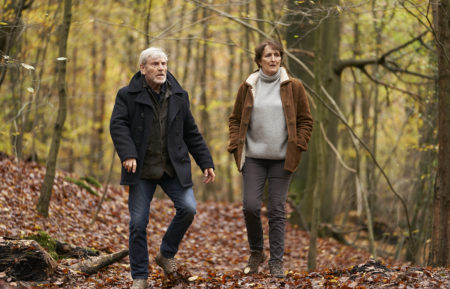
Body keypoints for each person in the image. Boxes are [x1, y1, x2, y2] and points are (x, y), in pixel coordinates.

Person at [110, 47, 215, 289]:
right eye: (155, 64)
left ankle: (166, 253)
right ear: (143, 68)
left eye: (164, 64)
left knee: (188, 208)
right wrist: (128, 154)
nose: (161, 68)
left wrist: (206, 162)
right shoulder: (127, 94)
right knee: (138, 223)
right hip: (142, 170)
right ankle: (139, 277)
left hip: (173, 168)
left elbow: (191, 132)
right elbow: (118, 126)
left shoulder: (179, 95)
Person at [228, 40, 313, 278]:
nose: (273, 59)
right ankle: (257, 251)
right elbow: (234, 119)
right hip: (253, 157)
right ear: (259, 60)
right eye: (268, 56)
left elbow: (306, 120)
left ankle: (276, 262)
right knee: (251, 207)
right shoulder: (248, 86)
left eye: (277, 55)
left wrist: (299, 143)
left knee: (276, 210)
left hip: (282, 159)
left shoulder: (294, 86)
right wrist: (235, 145)